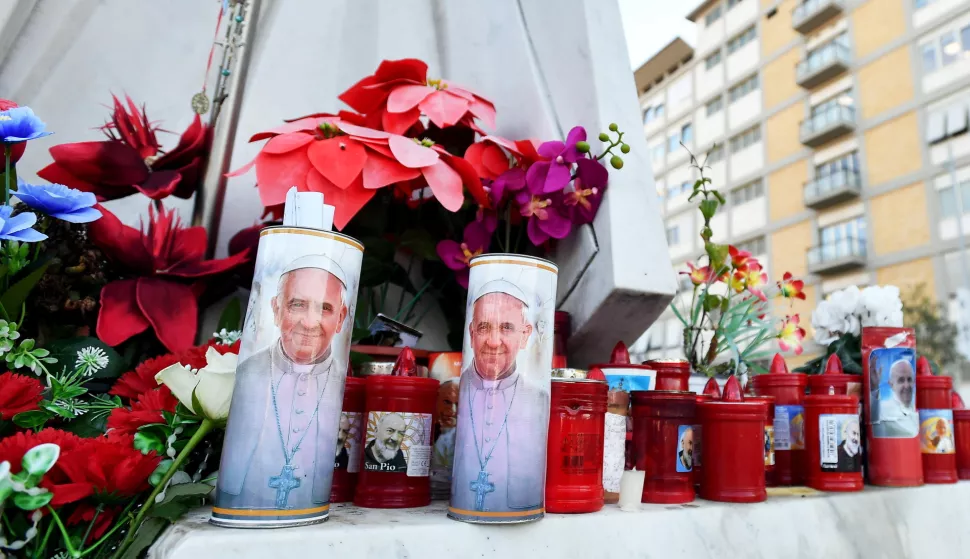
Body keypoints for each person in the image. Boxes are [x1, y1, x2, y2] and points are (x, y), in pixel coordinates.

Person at [216, 254, 349, 511]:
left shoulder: (343, 383)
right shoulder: (247, 373)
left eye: (325, 308)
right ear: (276, 309)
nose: (310, 323)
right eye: (297, 304)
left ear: (341, 318)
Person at [451, 280, 548, 514]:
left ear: (525, 335)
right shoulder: (454, 391)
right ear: (471, 333)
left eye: (506, 327)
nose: (494, 342)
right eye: (484, 327)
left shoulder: (539, 399)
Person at [874, 358, 918, 438]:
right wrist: (874, 388)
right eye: (901, 380)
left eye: (909, 379)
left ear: (914, 381)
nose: (906, 385)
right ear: (891, 384)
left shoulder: (916, 407)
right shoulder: (884, 409)